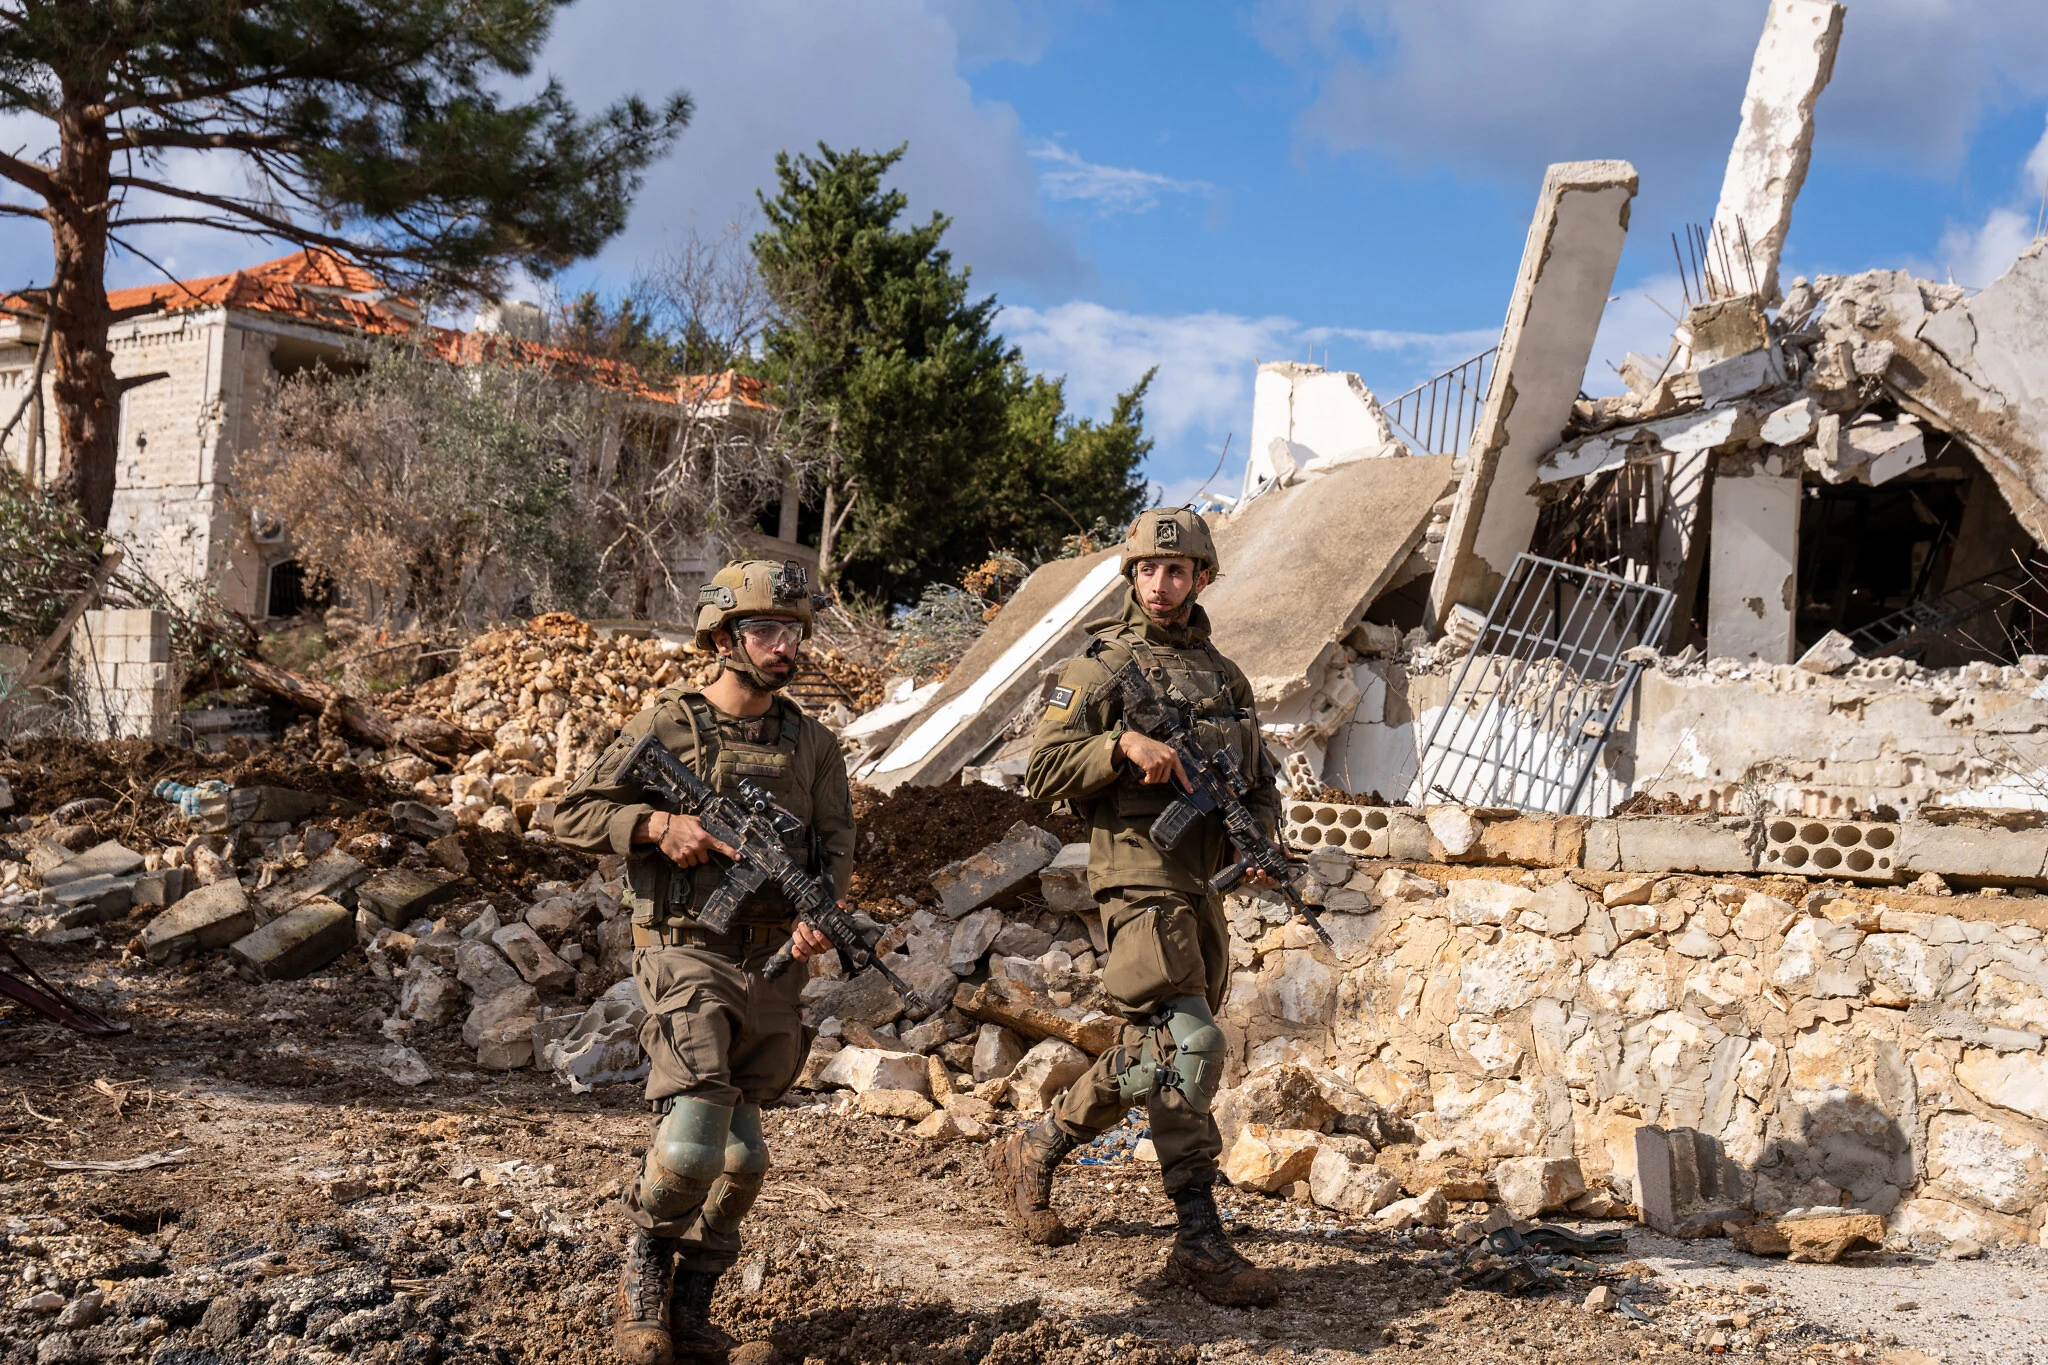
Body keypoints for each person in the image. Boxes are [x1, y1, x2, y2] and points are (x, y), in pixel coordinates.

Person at [555, 559, 850, 1365]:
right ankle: (642, 1273)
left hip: (774, 965)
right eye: (765, 630)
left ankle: (692, 1310)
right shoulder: (668, 724)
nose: (782, 646)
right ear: (722, 639)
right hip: (686, 949)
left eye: (792, 631)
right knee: (689, 1150)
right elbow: (569, 811)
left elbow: (836, 850)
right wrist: (656, 827)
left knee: (746, 1160)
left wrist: (818, 919)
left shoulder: (814, 743)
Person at [991, 508, 1282, 1306]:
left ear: (1202, 577)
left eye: (1178, 569)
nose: (1162, 582)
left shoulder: (1226, 677)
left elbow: (1259, 782)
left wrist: (1260, 842)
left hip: (1201, 882)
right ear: (1132, 577)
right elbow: (1041, 768)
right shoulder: (1101, 668)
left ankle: (1039, 1142)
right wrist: (1120, 746)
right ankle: (1197, 1237)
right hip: (1136, 873)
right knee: (1191, 1041)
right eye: (1149, 570)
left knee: (1159, 1046)